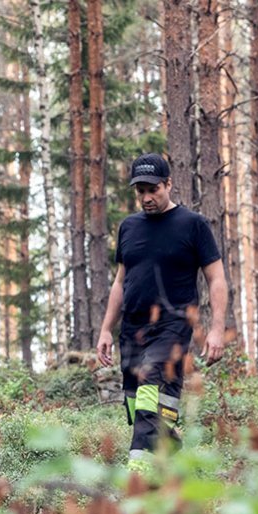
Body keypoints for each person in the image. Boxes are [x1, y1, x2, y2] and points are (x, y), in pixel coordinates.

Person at [96, 153, 228, 464]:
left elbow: (216, 277)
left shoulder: (193, 225)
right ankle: (171, 448)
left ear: (168, 184)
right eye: (140, 191)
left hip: (174, 325)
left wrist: (218, 328)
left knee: (150, 386)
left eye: (152, 189)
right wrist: (105, 329)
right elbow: (119, 282)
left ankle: (138, 470)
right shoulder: (128, 227)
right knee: (136, 402)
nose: (146, 197)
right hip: (132, 328)